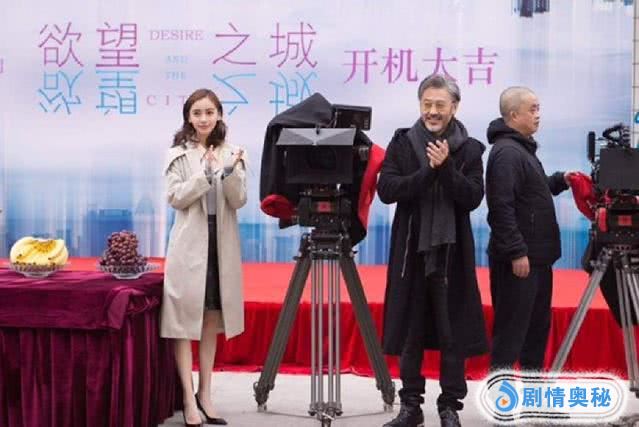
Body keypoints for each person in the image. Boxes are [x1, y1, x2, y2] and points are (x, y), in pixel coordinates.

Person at [378, 74, 488, 427]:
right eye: (427, 104)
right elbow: (387, 189)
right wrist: (429, 171)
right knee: (411, 330)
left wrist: (447, 169)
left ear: (454, 107)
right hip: (412, 253)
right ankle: (410, 406)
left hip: (451, 254)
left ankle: (450, 406)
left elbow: (472, 197)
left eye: (440, 104)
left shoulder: (469, 149)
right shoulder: (403, 142)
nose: (432, 111)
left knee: (452, 331)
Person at [161, 88, 247, 426]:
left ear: (219, 114)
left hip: (220, 244)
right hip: (188, 245)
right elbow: (175, 198)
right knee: (183, 323)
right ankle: (187, 397)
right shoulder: (177, 155)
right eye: (197, 113)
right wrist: (204, 175)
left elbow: (238, 200)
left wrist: (229, 172)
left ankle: (205, 393)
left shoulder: (232, 153)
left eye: (209, 112)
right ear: (188, 117)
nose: (203, 119)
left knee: (211, 319)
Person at [486, 86, 571, 372]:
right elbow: (501, 207)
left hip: (537, 258)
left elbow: (534, 192)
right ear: (513, 115)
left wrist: (560, 180)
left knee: (535, 332)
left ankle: (531, 392)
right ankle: (500, 395)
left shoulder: (522, 148)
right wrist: (516, 251)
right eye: (532, 109)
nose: (538, 115)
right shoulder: (507, 153)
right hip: (519, 262)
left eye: (538, 108)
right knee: (511, 334)